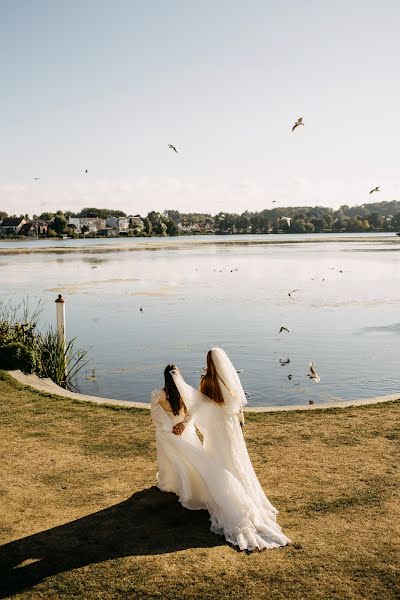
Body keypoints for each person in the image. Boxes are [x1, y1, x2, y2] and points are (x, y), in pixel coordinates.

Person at [152, 365, 290, 551]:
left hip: (170, 433)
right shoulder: (184, 392)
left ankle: (184, 490)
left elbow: (157, 418)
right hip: (186, 433)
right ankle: (191, 489)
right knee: (195, 463)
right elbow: (193, 411)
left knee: (182, 463)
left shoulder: (158, 395)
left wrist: (170, 428)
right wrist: (184, 425)